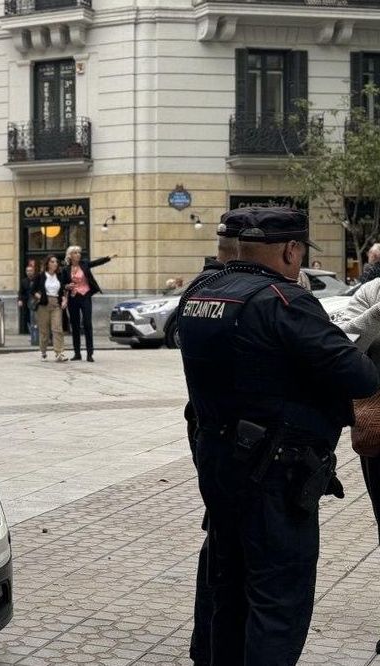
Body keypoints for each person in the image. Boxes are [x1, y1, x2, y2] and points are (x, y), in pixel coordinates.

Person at [178, 206, 378, 665]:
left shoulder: (202, 292)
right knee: (278, 600)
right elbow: (360, 375)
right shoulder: (282, 300)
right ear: (291, 250)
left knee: (227, 589)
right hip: (275, 473)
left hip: (217, 463)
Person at [179, 208, 244, 666]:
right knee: (230, 552)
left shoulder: (199, 291)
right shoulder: (251, 294)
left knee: (218, 543)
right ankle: (213, 648)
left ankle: (206, 646)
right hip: (237, 441)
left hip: (206, 430)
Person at [61, 246, 117, 362]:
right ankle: (77, 353)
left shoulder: (85, 264)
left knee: (87, 323)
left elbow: (96, 262)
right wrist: (67, 286)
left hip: (85, 296)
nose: (78, 255)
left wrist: (108, 258)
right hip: (73, 298)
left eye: (79, 252)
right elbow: (62, 284)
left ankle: (89, 353)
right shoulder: (66, 269)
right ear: (70, 256)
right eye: (75, 253)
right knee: (75, 325)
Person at [31, 255, 66, 362]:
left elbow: (63, 291)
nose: (55, 263)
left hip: (56, 304)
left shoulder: (59, 276)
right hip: (43, 305)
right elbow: (32, 290)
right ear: (48, 264)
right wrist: (40, 297)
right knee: (44, 331)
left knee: (57, 329)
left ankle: (59, 353)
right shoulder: (40, 276)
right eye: (52, 262)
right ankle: (43, 352)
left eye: (56, 262)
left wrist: (64, 300)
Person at [19, 263, 37, 345]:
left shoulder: (37, 279)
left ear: (34, 271)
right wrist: (20, 300)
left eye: (31, 271)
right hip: (27, 302)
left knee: (36, 319)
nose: (29, 272)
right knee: (28, 319)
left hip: (36, 302)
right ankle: (32, 335)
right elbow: (21, 292)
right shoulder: (24, 281)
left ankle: (36, 335)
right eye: (28, 271)